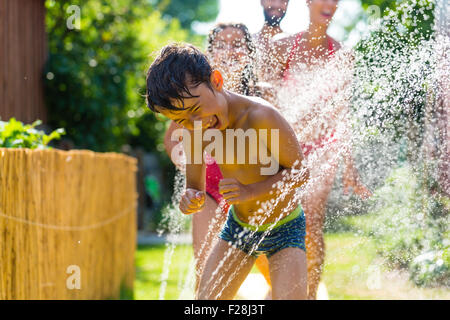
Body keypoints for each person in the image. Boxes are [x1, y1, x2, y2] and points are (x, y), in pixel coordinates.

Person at [146, 43, 310, 299]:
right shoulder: (196, 130)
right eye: (181, 121)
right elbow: (193, 186)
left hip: (284, 228)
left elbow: (300, 173)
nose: (195, 124)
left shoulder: (260, 116)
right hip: (238, 229)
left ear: (217, 80)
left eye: (196, 110)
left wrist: (250, 191)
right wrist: (190, 197)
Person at [268, 0, 372, 299]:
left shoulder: (342, 55)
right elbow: (265, 103)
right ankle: (279, 288)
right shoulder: (281, 46)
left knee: (312, 223)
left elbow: (343, 115)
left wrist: (349, 166)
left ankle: (309, 294)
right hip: (282, 149)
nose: (330, 4)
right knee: (277, 222)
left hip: (321, 150)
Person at [163, 23, 268, 292]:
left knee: (271, 269)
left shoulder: (261, 94)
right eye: (221, 44)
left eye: (237, 45)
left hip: (252, 192)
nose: (229, 50)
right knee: (208, 270)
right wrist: (190, 165)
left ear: (249, 53)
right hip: (208, 191)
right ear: (210, 53)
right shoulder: (192, 94)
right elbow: (171, 138)